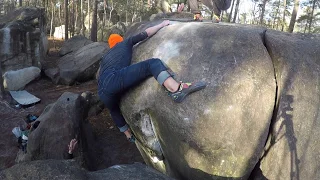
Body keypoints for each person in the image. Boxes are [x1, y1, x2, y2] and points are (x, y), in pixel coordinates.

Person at [97, 20, 206, 142]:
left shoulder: (106, 57)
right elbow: (145, 34)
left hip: (102, 92)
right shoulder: (125, 43)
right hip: (113, 79)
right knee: (152, 64)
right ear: (120, 40)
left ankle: (128, 135)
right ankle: (175, 89)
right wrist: (162, 24)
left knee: (114, 109)